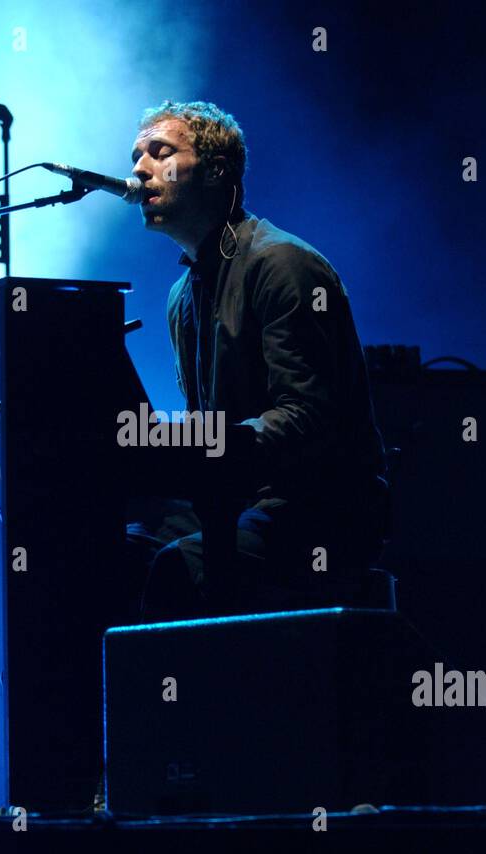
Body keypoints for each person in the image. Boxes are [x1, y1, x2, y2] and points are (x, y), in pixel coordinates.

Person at [125, 100, 388, 622]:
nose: (138, 168)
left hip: (320, 510)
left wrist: (209, 444)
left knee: (180, 569)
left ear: (217, 171)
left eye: (161, 152)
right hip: (237, 499)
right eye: (136, 155)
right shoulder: (181, 295)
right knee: (111, 553)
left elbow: (309, 418)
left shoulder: (282, 264)